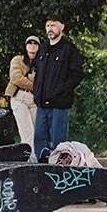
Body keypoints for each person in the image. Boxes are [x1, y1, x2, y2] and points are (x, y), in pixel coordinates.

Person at [32, 14, 83, 162]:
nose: (50, 29)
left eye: (53, 25)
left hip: (59, 105)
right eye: (48, 25)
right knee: (40, 143)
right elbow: (38, 73)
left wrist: (61, 92)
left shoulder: (69, 49)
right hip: (42, 105)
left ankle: (57, 174)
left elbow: (77, 75)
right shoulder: (43, 48)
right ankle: (41, 173)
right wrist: (36, 93)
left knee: (59, 145)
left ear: (62, 27)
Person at [6, 36, 40, 151]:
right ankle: (30, 161)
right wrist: (34, 86)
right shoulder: (17, 60)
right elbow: (16, 78)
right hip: (19, 97)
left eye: (35, 43)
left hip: (34, 100)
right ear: (25, 46)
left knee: (38, 131)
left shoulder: (41, 63)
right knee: (27, 132)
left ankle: (34, 158)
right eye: (29, 43)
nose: (32, 45)